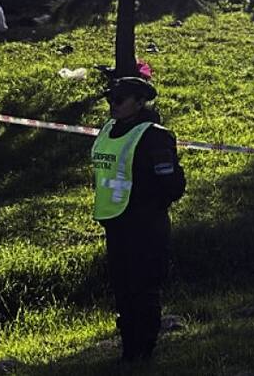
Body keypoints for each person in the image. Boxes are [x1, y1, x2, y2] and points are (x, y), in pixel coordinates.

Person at [90, 77, 186, 363]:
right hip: (115, 222)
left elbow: (173, 184)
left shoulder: (155, 136)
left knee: (144, 289)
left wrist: (149, 205)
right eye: (110, 100)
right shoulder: (108, 129)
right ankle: (128, 347)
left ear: (140, 102)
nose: (113, 106)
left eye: (120, 100)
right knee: (122, 288)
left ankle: (144, 348)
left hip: (146, 225)